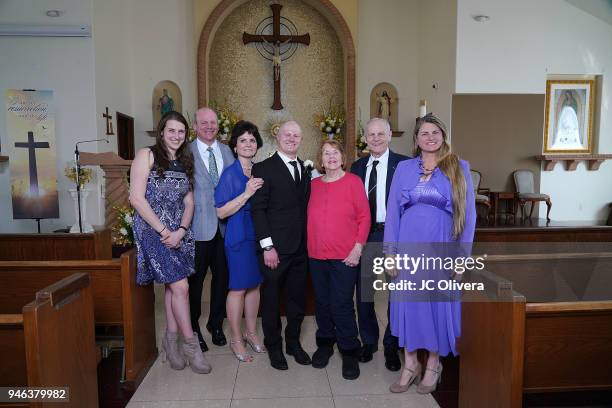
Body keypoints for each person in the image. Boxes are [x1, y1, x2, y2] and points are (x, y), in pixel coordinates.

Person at [384, 113, 476, 394]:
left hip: (441, 250)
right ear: (416, 139)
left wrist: (462, 258)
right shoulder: (403, 169)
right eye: (424, 133)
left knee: (436, 307)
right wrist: (390, 252)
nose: (430, 137)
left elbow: (469, 216)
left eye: (435, 132)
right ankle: (411, 364)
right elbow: (392, 214)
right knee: (409, 306)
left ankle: (434, 363)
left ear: (443, 135)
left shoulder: (459, 167)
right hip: (408, 250)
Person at [130, 110, 211, 374]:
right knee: (182, 287)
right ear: (162, 131)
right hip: (153, 229)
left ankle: (170, 340)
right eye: (171, 130)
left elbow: (189, 202)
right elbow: (136, 198)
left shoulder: (185, 160)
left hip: (179, 231)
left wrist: (182, 229)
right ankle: (191, 345)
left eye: (181, 131)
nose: (176, 135)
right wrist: (165, 231)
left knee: (172, 286)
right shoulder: (147, 155)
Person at [251, 120, 312, 370]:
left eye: (296, 136)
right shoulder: (264, 168)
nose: (291, 139)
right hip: (275, 249)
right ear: (278, 137)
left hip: (301, 248)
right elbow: (258, 210)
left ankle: (293, 342)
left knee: (297, 299)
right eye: (287, 135)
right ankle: (274, 346)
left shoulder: (306, 168)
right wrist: (267, 247)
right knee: (272, 300)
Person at [308, 140, 370, 380]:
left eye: (335, 153)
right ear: (320, 160)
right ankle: (325, 344)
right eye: (326, 153)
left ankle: (349, 350)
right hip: (316, 254)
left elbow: (365, 217)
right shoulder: (313, 185)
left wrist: (357, 248)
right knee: (322, 302)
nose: (331, 157)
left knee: (342, 303)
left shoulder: (353, 182)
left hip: (345, 254)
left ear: (343, 158)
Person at [350, 117, 408, 371]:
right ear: (365, 137)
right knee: (365, 293)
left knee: (397, 292)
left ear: (389, 136)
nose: (375, 138)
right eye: (370, 134)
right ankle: (369, 341)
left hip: (394, 236)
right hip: (365, 235)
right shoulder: (357, 166)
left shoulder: (404, 165)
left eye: (380, 134)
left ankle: (392, 344)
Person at [214, 121, 265, 362]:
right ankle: (235, 338)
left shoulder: (259, 171)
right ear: (235, 146)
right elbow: (221, 212)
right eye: (243, 140)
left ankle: (251, 332)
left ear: (257, 146)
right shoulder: (230, 173)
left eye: (252, 140)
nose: (248, 144)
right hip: (238, 235)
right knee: (238, 287)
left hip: (258, 235)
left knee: (255, 285)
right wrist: (246, 194)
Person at [188, 107, 235, 351]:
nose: (209, 126)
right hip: (197, 228)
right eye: (203, 123)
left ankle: (215, 324)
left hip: (225, 228)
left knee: (222, 280)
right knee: (195, 283)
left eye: (213, 122)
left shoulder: (227, 151)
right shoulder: (186, 152)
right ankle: (193, 328)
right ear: (194, 126)